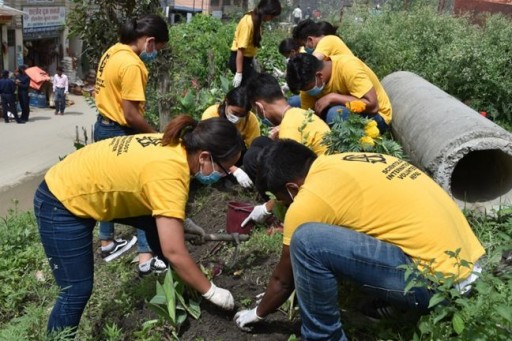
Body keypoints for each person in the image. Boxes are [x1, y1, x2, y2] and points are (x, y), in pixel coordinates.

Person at [234, 139, 485, 340]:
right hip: (470, 263)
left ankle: (323, 336)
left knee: (307, 242)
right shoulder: (343, 161)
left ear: (292, 188)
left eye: (284, 199)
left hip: (438, 285)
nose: (286, 205)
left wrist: (257, 313)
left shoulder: (308, 197)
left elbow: (282, 280)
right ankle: (395, 303)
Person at [34, 115, 243, 336]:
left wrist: (179, 222)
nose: (224, 174)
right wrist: (211, 292)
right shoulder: (169, 175)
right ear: (204, 157)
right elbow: (174, 251)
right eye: (224, 168)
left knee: (155, 225)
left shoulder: (174, 146)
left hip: (80, 179)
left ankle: (185, 289)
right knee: (75, 290)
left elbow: (152, 197)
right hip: (60, 200)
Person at [93, 14, 169, 274]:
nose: (156, 53)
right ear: (149, 42)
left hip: (102, 126)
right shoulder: (132, 65)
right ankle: (147, 256)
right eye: (158, 48)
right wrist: (156, 136)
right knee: (141, 191)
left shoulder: (113, 51)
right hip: (120, 130)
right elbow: (131, 114)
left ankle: (106, 241)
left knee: (107, 187)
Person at [241, 73, 330, 226]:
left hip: (320, 184)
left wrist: (266, 209)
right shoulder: (298, 113)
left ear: (260, 107)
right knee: (261, 142)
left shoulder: (290, 128)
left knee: (256, 160)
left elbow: (289, 178)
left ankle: (284, 210)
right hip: (322, 166)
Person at [286, 53, 392, 133]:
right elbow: (308, 118)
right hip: (342, 109)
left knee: (335, 114)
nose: (307, 92)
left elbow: (373, 106)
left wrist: (333, 98)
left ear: (319, 76)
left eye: (307, 89)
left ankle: (348, 152)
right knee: (294, 102)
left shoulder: (348, 67)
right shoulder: (307, 82)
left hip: (376, 117)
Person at [201, 86, 260, 188]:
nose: (238, 118)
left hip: (234, 155)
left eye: (242, 115)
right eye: (235, 113)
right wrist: (234, 170)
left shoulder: (250, 120)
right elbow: (206, 145)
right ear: (226, 102)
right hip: (213, 154)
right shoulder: (211, 114)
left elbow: (254, 146)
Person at [229, 0, 282, 87]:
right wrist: (239, 73)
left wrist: (252, 60)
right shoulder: (248, 22)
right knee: (256, 85)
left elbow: (250, 44)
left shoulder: (256, 20)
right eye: (272, 16)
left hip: (246, 60)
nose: (271, 19)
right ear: (267, 12)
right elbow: (241, 49)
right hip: (238, 60)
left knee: (250, 87)